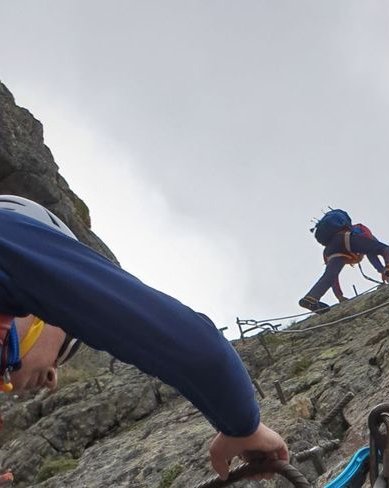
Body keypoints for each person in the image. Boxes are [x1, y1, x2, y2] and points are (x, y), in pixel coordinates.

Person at [0, 195, 288, 480]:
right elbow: (197, 350)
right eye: (68, 345)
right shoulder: (11, 237)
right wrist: (244, 427)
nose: (53, 377)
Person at [300, 210, 389, 313]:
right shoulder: (358, 229)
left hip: (331, 249)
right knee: (385, 249)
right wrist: (384, 269)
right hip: (346, 239)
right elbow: (373, 252)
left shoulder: (330, 244)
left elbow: (332, 277)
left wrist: (339, 296)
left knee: (329, 274)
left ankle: (311, 298)